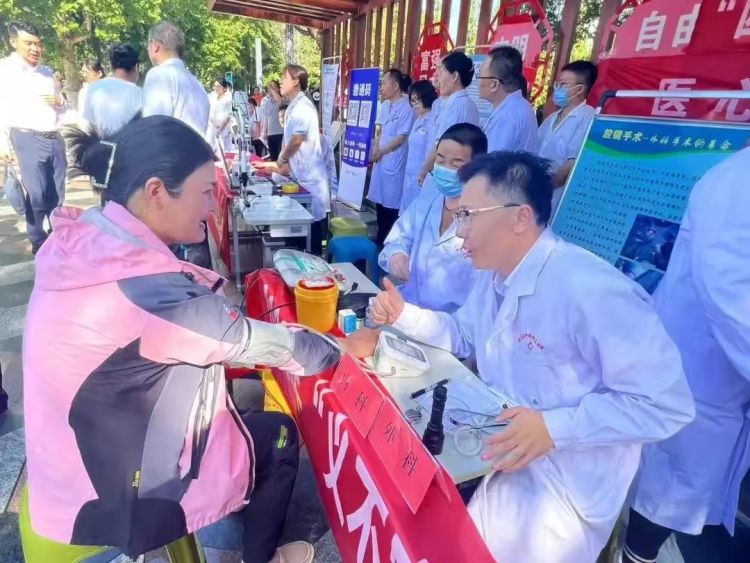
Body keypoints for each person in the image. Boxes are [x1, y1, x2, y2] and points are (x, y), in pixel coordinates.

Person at [23, 115, 339, 563]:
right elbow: (262, 343)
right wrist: (341, 351)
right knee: (279, 435)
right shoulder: (147, 291)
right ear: (156, 191)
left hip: (63, 472)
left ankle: (234, 501)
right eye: (205, 191)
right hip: (112, 497)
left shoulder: (83, 242)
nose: (212, 206)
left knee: (228, 403)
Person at [367, 151, 695, 562]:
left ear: (520, 218)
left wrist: (554, 428)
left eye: (468, 216)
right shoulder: (495, 273)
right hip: (501, 449)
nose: (459, 232)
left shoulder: (591, 291)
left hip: (563, 486)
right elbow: (464, 333)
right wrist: (403, 315)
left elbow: (666, 404)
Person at [624, 146, 750, 563]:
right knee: (670, 481)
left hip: (721, 374)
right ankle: (636, 552)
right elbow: (730, 291)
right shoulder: (738, 181)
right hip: (704, 367)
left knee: (686, 482)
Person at [380, 123, 485, 313]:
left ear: (477, 168)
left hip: (452, 323)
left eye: (456, 164)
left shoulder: (486, 218)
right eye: (440, 160)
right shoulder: (429, 198)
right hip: (408, 308)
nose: (445, 169)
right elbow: (400, 237)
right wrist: (397, 256)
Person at [0, 21, 67, 254]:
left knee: (57, 194)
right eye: (28, 43)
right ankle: (38, 240)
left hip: (54, 137)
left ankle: (57, 235)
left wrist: (60, 101)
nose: (35, 49)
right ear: (13, 42)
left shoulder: (46, 73)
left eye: (38, 44)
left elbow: (62, 107)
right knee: (37, 194)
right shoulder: (5, 71)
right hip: (26, 138)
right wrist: (2, 144)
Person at [256, 65, 329, 255]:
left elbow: (296, 141)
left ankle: (314, 266)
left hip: (309, 180)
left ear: (296, 81)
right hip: (298, 178)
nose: (281, 81)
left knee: (311, 238)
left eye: (284, 78)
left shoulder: (303, 107)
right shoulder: (292, 107)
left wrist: (279, 161)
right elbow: (287, 142)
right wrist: (273, 165)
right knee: (297, 235)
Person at [538, 60, 597, 214]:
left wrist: (543, 187)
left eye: (563, 85)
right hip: (537, 193)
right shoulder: (552, 117)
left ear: (580, 89)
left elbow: (572, 164)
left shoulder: (588, 117)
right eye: (558, 84)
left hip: (558, 198)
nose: (558, 88)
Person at [367, 69, 415, 246]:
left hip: (394, 159)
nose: (381, 87)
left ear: (395, 86)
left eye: (384, 83)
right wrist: (375, 148)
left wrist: (382, 151)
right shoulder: (386, 105)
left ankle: (388, 241)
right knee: (379, 199)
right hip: (381, 158)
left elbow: (402, 137)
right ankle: (380, 236)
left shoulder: (407, 107)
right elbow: (379, 130)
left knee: (391, 202)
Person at [418, 51, 480, 187]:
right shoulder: (467, 104)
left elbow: (440, 145)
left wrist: (423, 172)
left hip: (446, 174)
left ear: (455, 76)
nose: (438, 78)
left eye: (441, 72)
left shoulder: (455, 105)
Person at [142, 20, 209, 136]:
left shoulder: (159, 74)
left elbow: (153, 130)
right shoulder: (198, 86)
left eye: (148, 44)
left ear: (155, 45)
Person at [478, 46, 539, 154]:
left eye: (480, 76)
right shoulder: (519, 106)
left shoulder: (506, 117)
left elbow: (493, 161)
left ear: (494, 84)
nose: (478, 83)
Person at [81, 43, 143, 138]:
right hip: (129, 145)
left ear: (111, 65)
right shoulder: (138, 93)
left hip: (101, 145)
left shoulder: (93, 88)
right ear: (135, 67)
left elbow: (90, 125)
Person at [399, 80, 438, 214]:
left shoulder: (433, 120)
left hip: (424, 176)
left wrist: (423, 172)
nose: (414, 104)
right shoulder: (418, 119)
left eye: (418, 100)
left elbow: (433, 150)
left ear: (427, 98)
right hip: (411, 175)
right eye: (412, 101)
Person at [207, 79, 233, 153]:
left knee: (224, 151)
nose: (216, 88)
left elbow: (228, 115)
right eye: (215, 86)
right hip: (212, 127)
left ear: (224, 88)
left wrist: (220, 128)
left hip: (223, 128)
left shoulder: (228, 98)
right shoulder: (212, 96)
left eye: (219, 86)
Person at [264, 80, 284, 161]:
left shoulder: (282, 99)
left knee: (280, 159)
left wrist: (272, 90)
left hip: (280, 133)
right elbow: (266, 117)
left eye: (273, 87)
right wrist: (265, 131)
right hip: (270, 134)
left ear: (278, 89)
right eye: (269, 87)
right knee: (273, 158)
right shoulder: (267, 102)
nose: (270, 89)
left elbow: (280, 102)